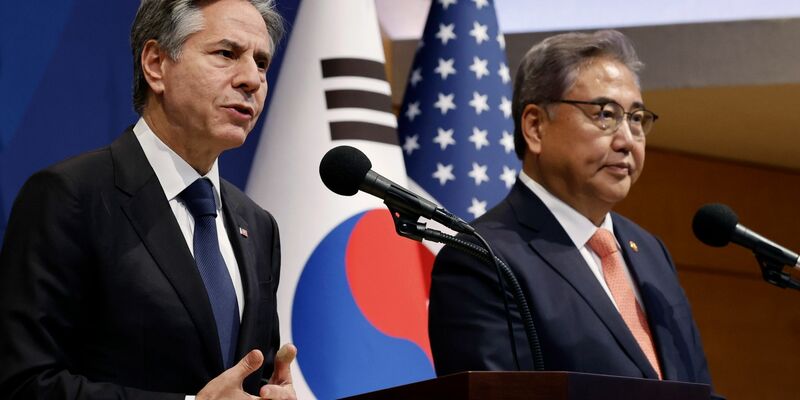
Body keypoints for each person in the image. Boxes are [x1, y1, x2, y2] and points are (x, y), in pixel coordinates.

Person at [0, 0, 297, 399]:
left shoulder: (258, 226)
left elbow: (245, 379)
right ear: (156, 64)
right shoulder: (69, 198)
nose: (252, 80)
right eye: (227, 53)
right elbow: (23, 384)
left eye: (261, 63)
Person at [428, 30, 717, 391]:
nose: (627, 140)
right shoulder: (482, 259)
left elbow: (697, 389)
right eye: (605, 114)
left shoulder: (651, 252)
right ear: (535, 127)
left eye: (636, 118)